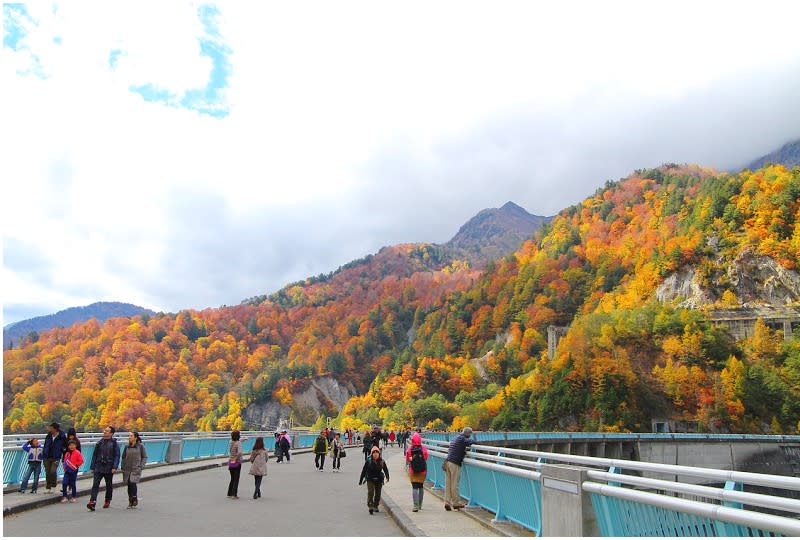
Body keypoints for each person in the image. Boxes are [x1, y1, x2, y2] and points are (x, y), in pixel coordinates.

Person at [87, 426, 120, 511]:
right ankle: (92, 501)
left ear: (111, 433)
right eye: (105, 430)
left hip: (109, 467)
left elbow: (117, 456)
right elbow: (94, 455)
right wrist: (92, 466)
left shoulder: (114, 443)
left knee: (108, 485)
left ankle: (107, 500)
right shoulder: (99, 443)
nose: (105, 432)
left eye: (107, 431)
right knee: (95, 484)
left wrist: (114, 467)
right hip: (98, 466)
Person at [443, 426, 474, 511]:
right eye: (470, 434)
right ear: (468, 434)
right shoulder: (462, 439)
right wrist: (474, 441)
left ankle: (447, 502)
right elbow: (470, 442)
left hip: (448, 462)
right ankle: (456, 503)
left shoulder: (456, 438)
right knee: (454, 484)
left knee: (448, 484)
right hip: (454, 463)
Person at [359, 446, 389, 515]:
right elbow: (364, 470)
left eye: (377, 452)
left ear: (379, 454)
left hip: (379, 479)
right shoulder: (368, 461)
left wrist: (387, 477)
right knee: (371, 492)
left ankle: (376, 505)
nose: (375, 454)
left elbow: (385, 469)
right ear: (372, 454)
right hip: (370, 478)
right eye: (374, 452)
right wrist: (361, 480)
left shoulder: (382, 461)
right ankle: (370, 505)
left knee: (378, 494)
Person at [121, 431, 147, 508]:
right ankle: (130, 500)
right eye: (129, 436)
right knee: (128, 484)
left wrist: (141, 466)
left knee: (132, 482)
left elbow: (144, 457)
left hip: (136, 468)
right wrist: (122, 466)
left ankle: (134, 498)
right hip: (127, 468)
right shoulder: (127, 447)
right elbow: (123, 457)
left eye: (131, 436)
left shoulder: (140, 446)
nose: (129, 437)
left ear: (135, 437)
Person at [405, 432, 429, 512]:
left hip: (413, 470)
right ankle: (420, 505)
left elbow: (408, 459)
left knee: (414, 487)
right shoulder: (423, 448)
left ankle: (415, 506)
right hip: (423, 471)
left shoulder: (410, 449)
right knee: (421, 486)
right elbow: (426, 458)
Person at [42, 422, 66, 494]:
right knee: (47, 472)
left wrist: (62, 451)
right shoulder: (48, 436)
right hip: (47, 456)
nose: (50, 429)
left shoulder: (62, 436)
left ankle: (53, 486)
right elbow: (45, 444)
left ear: (55, 429)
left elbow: (65, 445)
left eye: (51, 428)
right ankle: (48, 487)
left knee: (53, 471)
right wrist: (44, 452)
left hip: (56, 457)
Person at [61, 439, 84, 503]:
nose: (71, 446)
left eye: (73, 445)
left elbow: (81, 461)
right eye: (70, 445)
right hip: (67, 471)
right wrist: (64, 468)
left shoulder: (77, 452)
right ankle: (64, 496)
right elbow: (65, 461)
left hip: (74, 470)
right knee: (64, 483)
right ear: (68, 446)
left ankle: (73, 497)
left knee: (73, 483)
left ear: (75, 446)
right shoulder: (67, 453)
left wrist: (76, 465)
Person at [227, 430, 243, 499]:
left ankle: (229, 493)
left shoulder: (230, 442)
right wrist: (236, 459)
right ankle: (234, 494)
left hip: (230, 462)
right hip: (237, 462)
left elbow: (230, 450)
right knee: (236, 479)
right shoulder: (238, 443)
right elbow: (239, 452)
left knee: (232, 478)